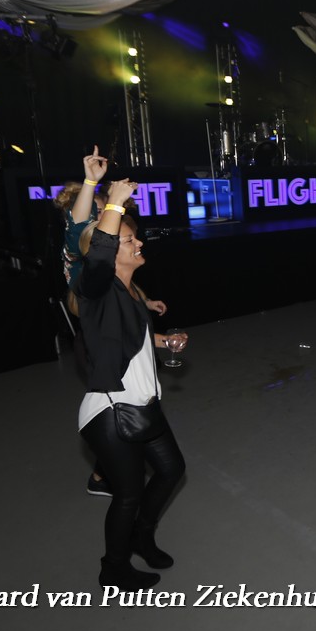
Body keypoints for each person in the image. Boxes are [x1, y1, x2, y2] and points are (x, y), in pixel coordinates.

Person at [74, 178, 189, 591]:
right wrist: (115, 204)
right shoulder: (96, 288)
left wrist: (163, 341)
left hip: (142, 403)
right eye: (128, 240)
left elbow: (130, 338)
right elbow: (97, 257)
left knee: (172, 470)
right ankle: (114, 567)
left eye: (135, 238)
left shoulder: (129, 292)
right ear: (107, 252)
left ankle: (142, 536)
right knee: (128, 494)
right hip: (112, 411)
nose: (138, 243)